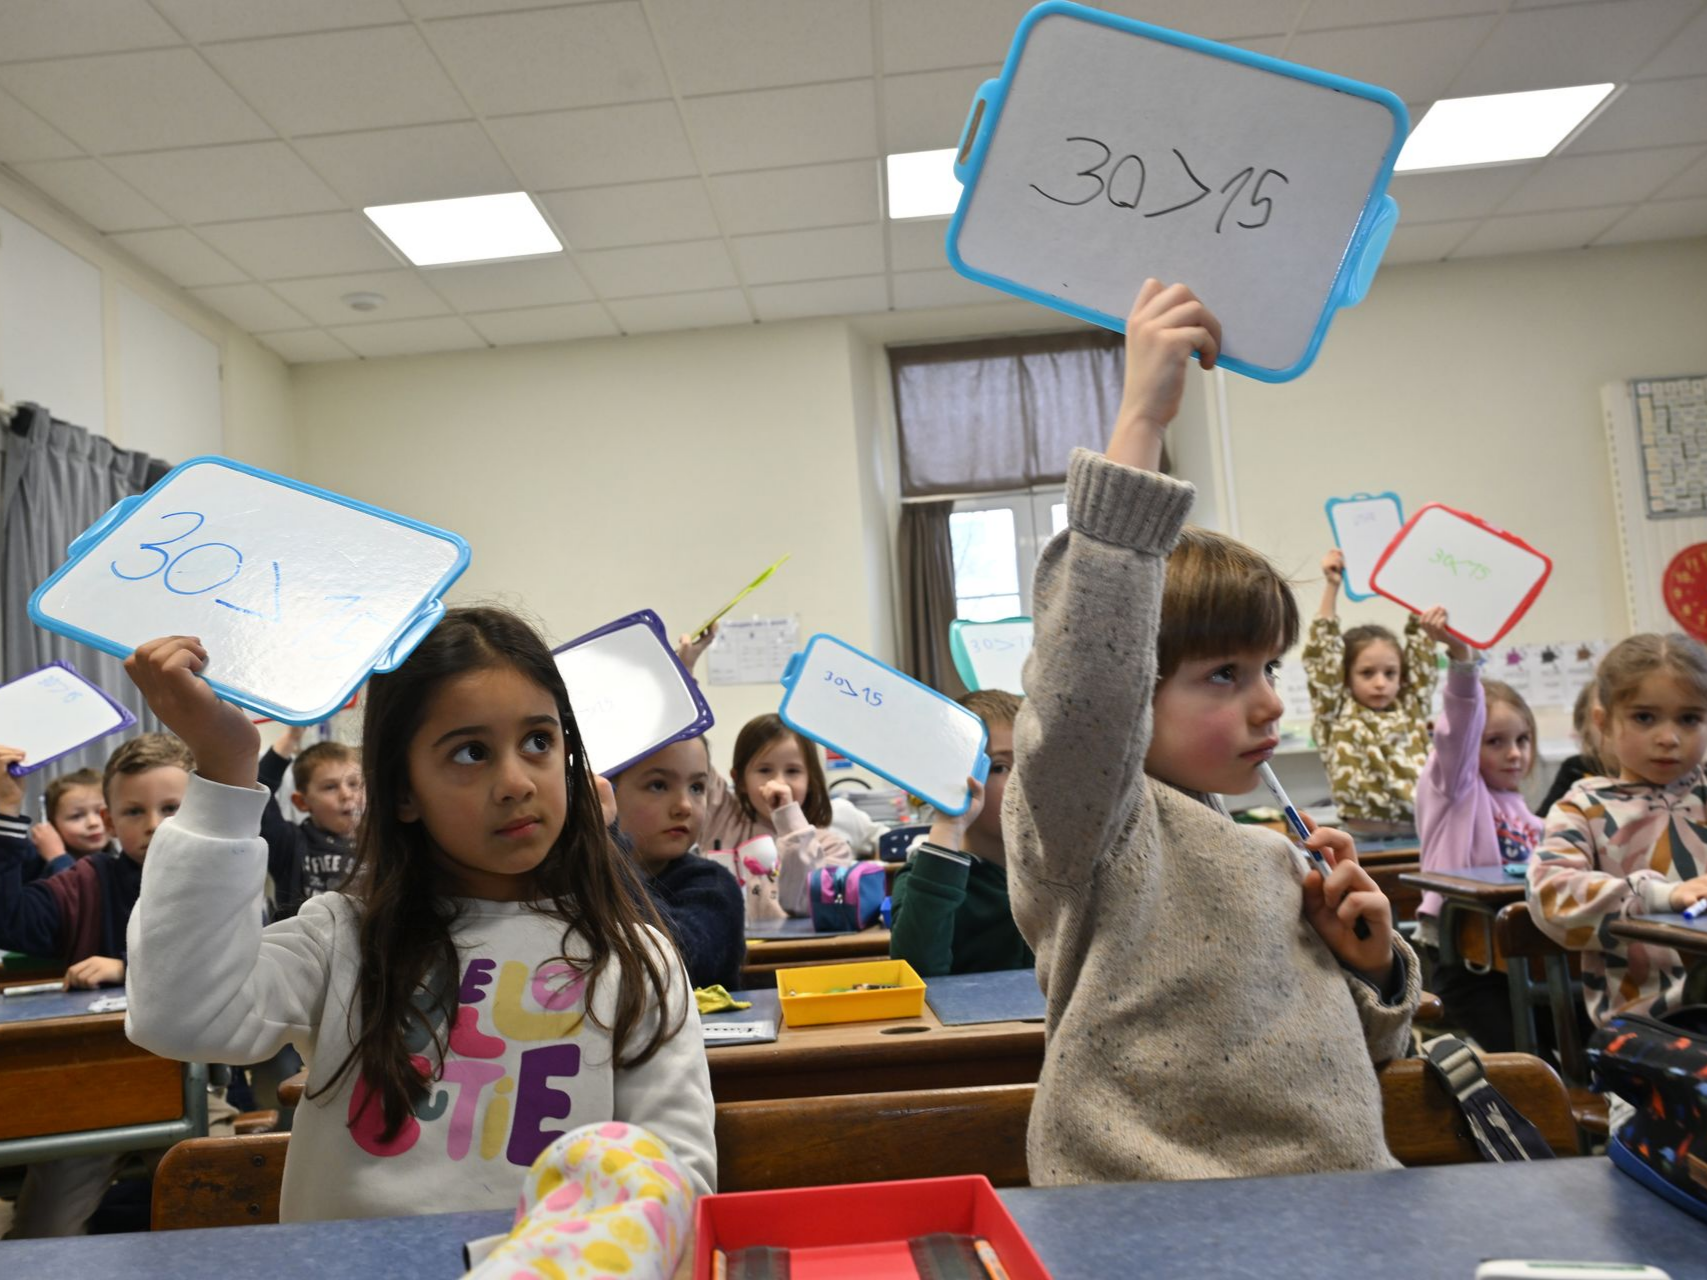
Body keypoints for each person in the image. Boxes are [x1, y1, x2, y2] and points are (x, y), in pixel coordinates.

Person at [1004, 280, 1418, 1186]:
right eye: (1223, 676)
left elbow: (1367, 1058)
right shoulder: (1091, 829)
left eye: (1268, 668)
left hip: (1338, 1214)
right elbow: (1083, 693)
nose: (1269, 703)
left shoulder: (1273, 855)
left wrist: (1374, 966)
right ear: (1131, 695)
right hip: (1154, 1229)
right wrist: (1139, 424)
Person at [122, 607, 717, 1221]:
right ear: (403, 791)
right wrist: (223, 770)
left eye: (539, 741)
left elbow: (673, 1180)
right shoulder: (343, 938)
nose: (516, 780)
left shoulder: (634, 959)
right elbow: (183, 1018)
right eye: (470, 753)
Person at [1529, 633, 1707, 1033]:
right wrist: (1661, 896)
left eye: (1690, 718)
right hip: (1649, 1027)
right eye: (1645, 717)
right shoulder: (1583, 807)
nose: (1668, 737)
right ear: (1603, 721)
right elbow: (1549, 894)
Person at [1414, 629, 1543, 1051]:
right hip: (1464, 959)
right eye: (1495, 742)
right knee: (1524, 1059)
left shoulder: (1525, 812)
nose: (1514, 754)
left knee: (1551, 1049)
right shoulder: (1455, 789)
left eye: (1522, 740)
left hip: (1515, 955)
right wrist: (1462, 660)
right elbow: (1458, 734)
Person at [890, 690, 1032, 977]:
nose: (1024, 780)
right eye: (999, 767)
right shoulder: (924, 878)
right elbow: (918, 972)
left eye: (1030, 762)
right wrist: (949, 827)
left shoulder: (1058, 876)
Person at [1300, 549, 1444, 827]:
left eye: (1390, 673)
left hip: (1420, 834)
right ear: (1346, 676)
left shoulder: (1411, 708)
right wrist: (1332, 585)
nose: (1381, 683)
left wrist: (1414, 582)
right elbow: (1323, 655)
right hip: (1363, 838)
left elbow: (1423, 648)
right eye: (1367, 673)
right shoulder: (1336, 713)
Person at [610, 737, 745, 990]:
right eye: (658, 785)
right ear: (608, 793)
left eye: (697, 787)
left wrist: (608, 853)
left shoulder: (714, 886)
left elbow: (671, 963)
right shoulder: (577, 880)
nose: (684, 806)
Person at [256, 725, 362, 919]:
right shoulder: (291, 843)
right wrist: (291, 737)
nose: (347, 794)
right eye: (330, 787)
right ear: (302, 801)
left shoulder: (380, 842)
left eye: (354, 784)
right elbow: (258, 792)